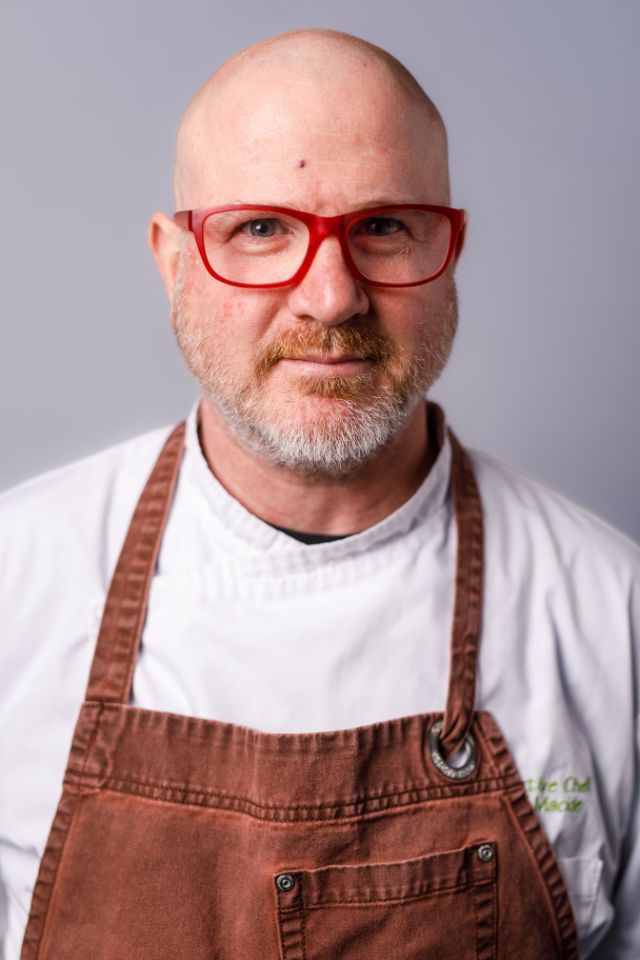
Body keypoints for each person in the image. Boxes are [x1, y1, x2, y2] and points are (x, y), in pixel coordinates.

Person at [0, 27, 638, 960]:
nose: (332, 297)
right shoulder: (15, 583)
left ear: (451, 248)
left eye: (383, 227)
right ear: (174, 262)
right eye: (262, 229)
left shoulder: (615, 616)